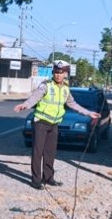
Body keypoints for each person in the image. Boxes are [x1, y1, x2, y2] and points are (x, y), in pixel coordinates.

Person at [14, 61, 101, 190]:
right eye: (56, 73)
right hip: (41, 123)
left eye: (61, 73)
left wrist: (89, 113)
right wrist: (25, 105)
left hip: (54, 125)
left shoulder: (66, 89)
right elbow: (34, 98)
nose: (58, 75)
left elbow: (73, 104)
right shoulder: (46, 86)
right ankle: (36, 181)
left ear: (65, 74)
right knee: (38, 152)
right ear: (53, 73)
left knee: (50, 152)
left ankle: (49, 178)